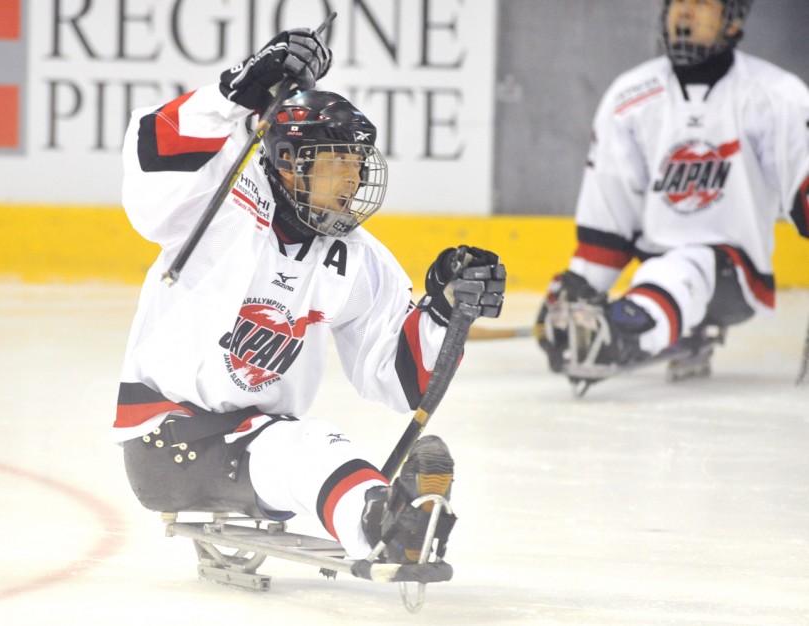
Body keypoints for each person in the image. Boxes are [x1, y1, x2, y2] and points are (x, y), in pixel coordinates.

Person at [113, 27, 506, 564]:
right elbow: (152, 155)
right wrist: (233, 93)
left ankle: (392, 520)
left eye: (357, 164)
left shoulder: (358, 258)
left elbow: (404, 382)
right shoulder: (221, 200)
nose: (352, 180)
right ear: (289, 161)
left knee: (301, 444)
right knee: (306, 444)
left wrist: (443, 309)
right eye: (335, 162)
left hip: (255, 439)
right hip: (166, 436)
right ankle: (383, 526)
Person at [537, 0, 809, 385]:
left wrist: (612, 330)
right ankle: (643, 317)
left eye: (701, 3)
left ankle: (631, 330)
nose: (684, 13)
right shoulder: (629, 97)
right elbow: (609, 225)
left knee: (690, 263)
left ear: (732, 22)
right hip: (654, 273)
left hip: (735, 277)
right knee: (651, 277)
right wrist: (576, 294)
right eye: (677, 2)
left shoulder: (776, 96)